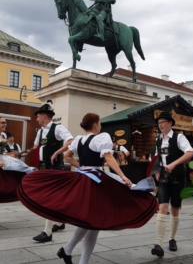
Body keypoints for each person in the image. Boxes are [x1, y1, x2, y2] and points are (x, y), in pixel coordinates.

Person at [17, 113, 158, 264]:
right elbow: (109, 158)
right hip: (94, 182)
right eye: (100, 123)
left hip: (83, 178)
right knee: (93, 222)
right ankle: (74, 255)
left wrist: (81, 168)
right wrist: (123, 176)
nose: (100, 126)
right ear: (96, 124)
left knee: (90, 221)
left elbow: (67, 156)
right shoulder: (101, 137)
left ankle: (67, 250)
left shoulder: (79, 139)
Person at [151, 111, 193, 258]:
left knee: (175, 209)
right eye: (159, 123)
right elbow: (157, 157)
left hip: (177, 177)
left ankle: (172, 238)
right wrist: (157, 169)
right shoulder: (158, 140)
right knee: (162, 207)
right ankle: (158, 244)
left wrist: (174, 164)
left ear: (170, 123)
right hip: (163, 177)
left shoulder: (179, 137)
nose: (160, 125)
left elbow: (190, 152)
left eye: (163, 122)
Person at [32, 101, 74, 243]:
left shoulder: (57, 128)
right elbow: (36, 147)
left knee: (48, 198)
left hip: (55, 167)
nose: (36, 119)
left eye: (38, 116)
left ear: (44, 116)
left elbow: (70, 141)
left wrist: (57, 152)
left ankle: (47, 232)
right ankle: (60, 222)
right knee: (55, 197)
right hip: (44, 168)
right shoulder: (40, 132)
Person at [0, 117, 37, 203]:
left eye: (5, 122)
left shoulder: (3, 135)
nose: (5, 124)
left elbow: (3, 151)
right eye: (2, 122)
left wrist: (10, 156)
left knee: (21, 166)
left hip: (3, 157)